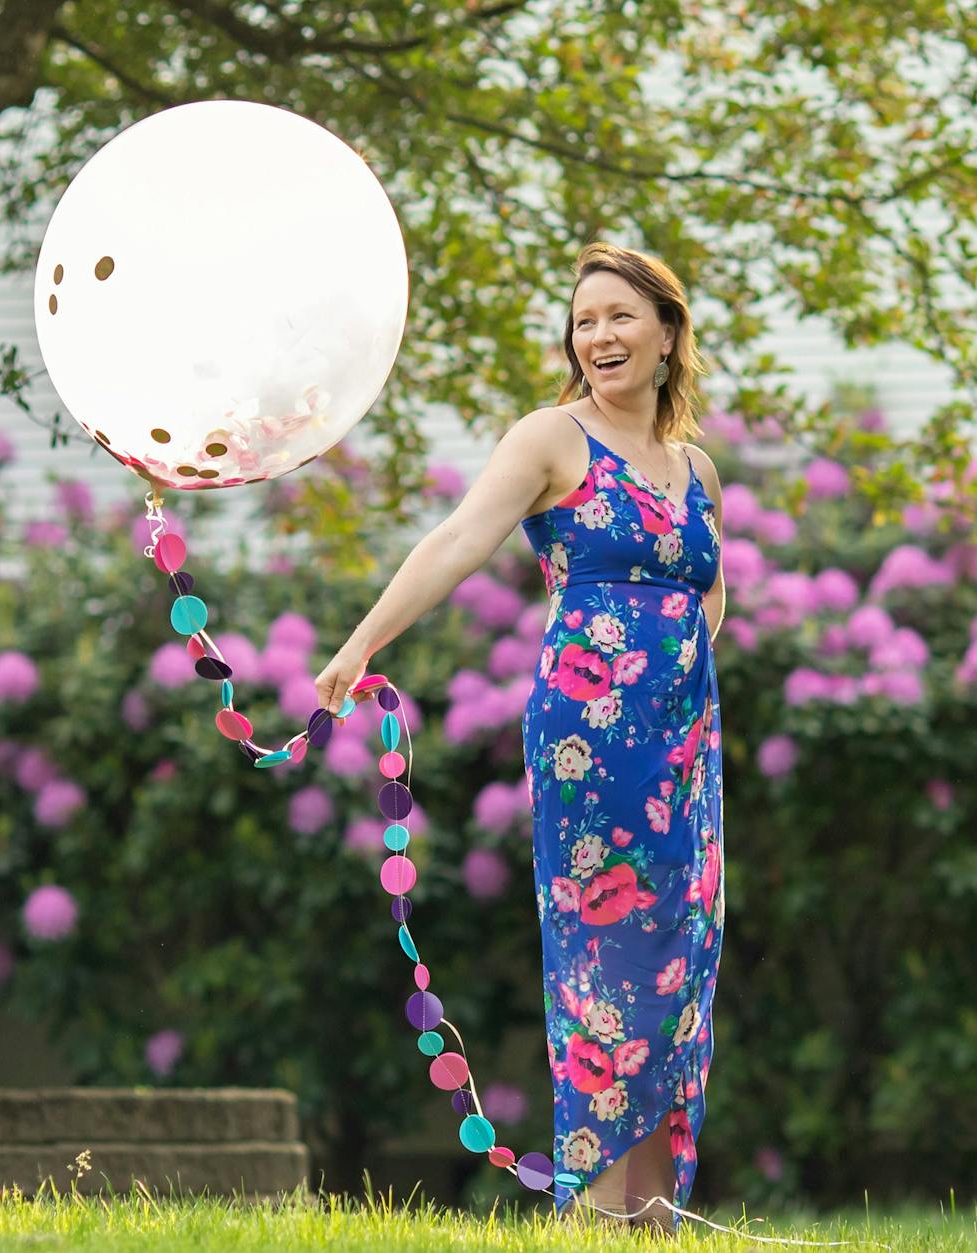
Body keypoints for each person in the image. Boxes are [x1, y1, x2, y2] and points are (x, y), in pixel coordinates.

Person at [315, 241, 726, 1236]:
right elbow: (458, 538)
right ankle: (597, 1212)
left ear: (667, 333)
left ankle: (652, 1215)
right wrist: (364, 640)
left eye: (620, 316)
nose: (600, 336)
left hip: (682, 746)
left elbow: (707, 588)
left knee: (677, 952)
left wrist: (678, 668)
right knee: (605, 953)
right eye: (584, 321)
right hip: (590, 742)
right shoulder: (552, 438)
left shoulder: (695, 466)